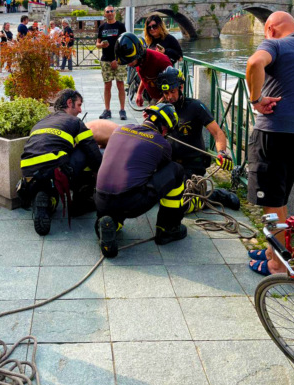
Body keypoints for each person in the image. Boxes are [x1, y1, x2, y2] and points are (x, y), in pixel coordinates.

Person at [245, 11, 294, 276]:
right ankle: (274, 251)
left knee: (271, 203)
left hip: (274, 132)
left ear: (269, 29)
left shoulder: (275, 44)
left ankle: (277, 266)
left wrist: (256, 100)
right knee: (279, 198)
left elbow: (255, 64)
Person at [94, 103, 185, 258]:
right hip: (131, 202)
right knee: (176, 170)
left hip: (100, 198)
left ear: (146, 117)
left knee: (125, 181)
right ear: (164, 129)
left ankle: (110, 223)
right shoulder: (161, 143)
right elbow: (162, 172)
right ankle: (168, 228)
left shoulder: (119, 129)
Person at [19, 89, 102, 235]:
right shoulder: (75, 122)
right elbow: (93, 152)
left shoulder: (41, 122)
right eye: (79, 105)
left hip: (28, 172)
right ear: (69, 103)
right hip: (55, 170)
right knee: (86, 152)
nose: (80, 110)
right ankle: (81, 203)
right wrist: (101, 177)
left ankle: (46, 199)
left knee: (49, 174)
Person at [157, 67, 239, 210]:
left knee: (178, 204)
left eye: (172, 92)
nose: (169, 97)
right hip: (169, 164)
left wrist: (222, 153)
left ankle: (217, 195)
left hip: (192, 165)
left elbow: (218, 133)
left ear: (181, 87)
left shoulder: (195, 106)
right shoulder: (160, 108)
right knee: (153, 195)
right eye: (165, 93)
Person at [115, 32, 171, 106]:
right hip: (156, 98)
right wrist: (139, 93)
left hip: (169, 100)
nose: (129, 64)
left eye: (130, 61)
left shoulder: (160, 61)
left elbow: (174, 89)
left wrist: (156, 107)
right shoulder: (139, 62)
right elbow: (145, 78)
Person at [96, 6, 127, 120]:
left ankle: (122, 110)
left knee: (120, 84)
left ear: (115, 13)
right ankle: (107, 110)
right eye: (107, 11)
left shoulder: (120, 26)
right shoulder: (102, 27)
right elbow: (97, 43)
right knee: (107, 85)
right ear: (104, 14)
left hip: (119, 60)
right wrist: (101, 45)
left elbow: (125, 43)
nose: (109, 13)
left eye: (111, 11)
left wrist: (117, 59)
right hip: (105, 60)